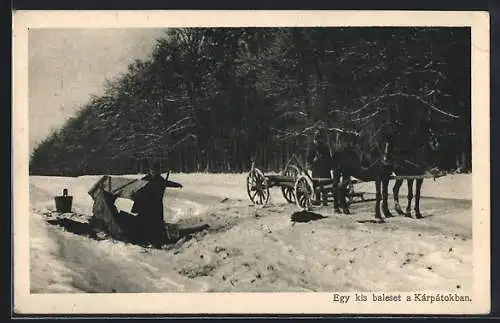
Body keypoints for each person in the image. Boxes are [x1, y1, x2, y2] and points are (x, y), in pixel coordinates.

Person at [131, 162, 182, 248]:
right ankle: (144, 239)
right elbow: (137, 188)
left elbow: (167, 183)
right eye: (152, 170)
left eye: (156, 170)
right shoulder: (145, 179)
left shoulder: (160, 179)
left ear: (158, 171)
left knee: (157, 223)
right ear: (150, 171)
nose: (154, 172)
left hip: (157, 206)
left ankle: (158, 240)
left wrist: (176, 185)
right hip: (146, 205)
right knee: (146, 222)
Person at [307, 129, 333, 206]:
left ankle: (323, 200)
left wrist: (312, 161)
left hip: (322, 169)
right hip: (318, 169)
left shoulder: (324, 147)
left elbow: (309, 159)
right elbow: (309, 159)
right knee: (319, 185)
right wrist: (313, 160)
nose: (319, 140)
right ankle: (320, 200)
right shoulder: (315, 148)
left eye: (319, 138)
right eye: (318, 139)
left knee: (322, 185)